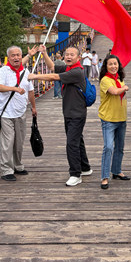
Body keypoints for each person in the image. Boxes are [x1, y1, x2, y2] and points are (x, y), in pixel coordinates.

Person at [29, 45, 93, 186]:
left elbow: (54, 77)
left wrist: (35, 76)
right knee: (77, 140)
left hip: (77, 113)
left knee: (71, 143)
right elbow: (52, 68)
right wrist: (44, 53)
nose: (68, 57)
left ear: (78, 57)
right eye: (67, 54)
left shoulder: (77, 72)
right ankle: (85, 167)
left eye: (72, 55)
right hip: (69, 112)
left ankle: (75, 174)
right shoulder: (68, 68)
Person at [0, 46, 36, 182]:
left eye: (18, 55)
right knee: (8, 141)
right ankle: (6, 169)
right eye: (13, 55)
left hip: (20, 112)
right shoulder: (3, 71)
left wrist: (34, 107)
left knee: (19, 141)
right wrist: (14, 89)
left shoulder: (26, 71)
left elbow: (30, 91)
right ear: (8, 57)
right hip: (6, 113)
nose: (16, 57)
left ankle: (18, 165)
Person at [98, 54, 130, 189]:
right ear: (105, 67)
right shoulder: (105, 80)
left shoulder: (119, 79)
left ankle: (116, 171)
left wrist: (123, 86)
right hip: (109, 119)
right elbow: (115, 92)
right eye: (110, 64)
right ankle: (104, 176)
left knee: (119, 147)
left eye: (115, 64)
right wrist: (125, 88)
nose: (113, 66)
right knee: (108, 147)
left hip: (121, 117)